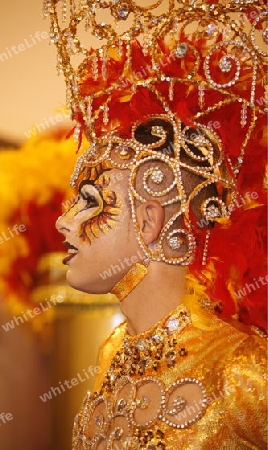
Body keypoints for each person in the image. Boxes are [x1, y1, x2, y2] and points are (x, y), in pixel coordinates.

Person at [47, 0, 267, 447]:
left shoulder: (243, 367)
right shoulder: (110, 352)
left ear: (150, 220)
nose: (64, 224)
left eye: (89, 202)